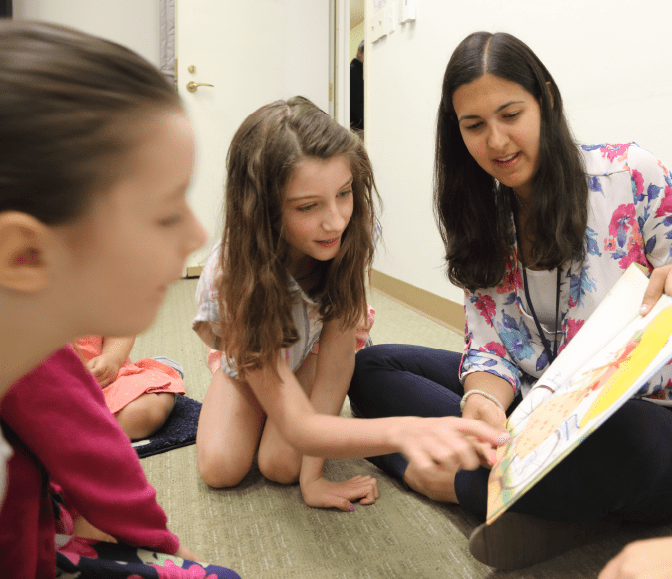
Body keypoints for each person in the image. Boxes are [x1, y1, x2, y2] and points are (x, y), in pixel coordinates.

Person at [348, 31, 672, 569]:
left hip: (660, 416)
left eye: (511, 114)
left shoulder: (630, 174)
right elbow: (488, 348)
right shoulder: (481, 218)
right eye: (474, 126)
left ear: (547, 102)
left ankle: (461, 485)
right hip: (538, 406)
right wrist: (481, 407)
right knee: (371, 368)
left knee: (616, 437)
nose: (496, 141)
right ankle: (532, 492)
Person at [0, 20, 239, 578]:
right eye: (164, 213)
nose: (198, 235)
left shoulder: (32, 347)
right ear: (26, 255)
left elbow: (99, 459)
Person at [193, 96, 507, 513]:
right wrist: (405, 431)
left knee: (281, 466)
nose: (336, 221)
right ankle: (254, 394)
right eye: (308, 207)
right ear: (263, 211)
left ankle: (281, 404)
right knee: (220, 469)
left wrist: (313, 478)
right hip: (252, 359)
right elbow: (299, 426)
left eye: (344, 194)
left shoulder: (345, 238)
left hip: (308, 352)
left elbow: (338, 361)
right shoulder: (232, 275)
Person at [70, 335, 184, 440]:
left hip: (107, 381)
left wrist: (112, 358)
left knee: (143, 412)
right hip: (60, 402)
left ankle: (160, 375)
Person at [349, 41, 364, 135]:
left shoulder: (358, 71)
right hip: (356, 128)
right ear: (359, 52)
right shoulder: (353, 72)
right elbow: (356, 104)